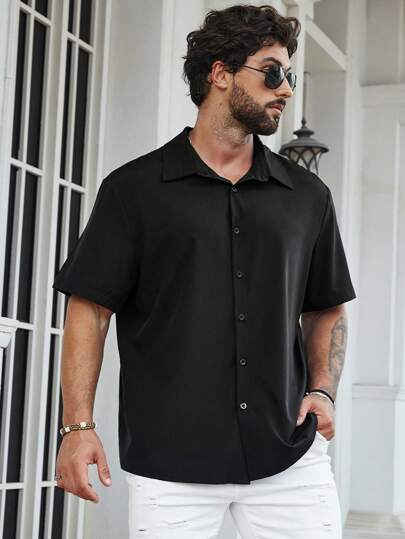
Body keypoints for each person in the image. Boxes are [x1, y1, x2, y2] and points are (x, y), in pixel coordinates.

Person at [52, 4, 356, 538]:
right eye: (272, 72)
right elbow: (90, 309)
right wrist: (77, 426)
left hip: (289, 457)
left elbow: (326, 306)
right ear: (220, 73)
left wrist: (323, 390)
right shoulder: (134, 191)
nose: (286, 89)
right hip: (171, 463)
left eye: (289, 75)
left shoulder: (308, 197)